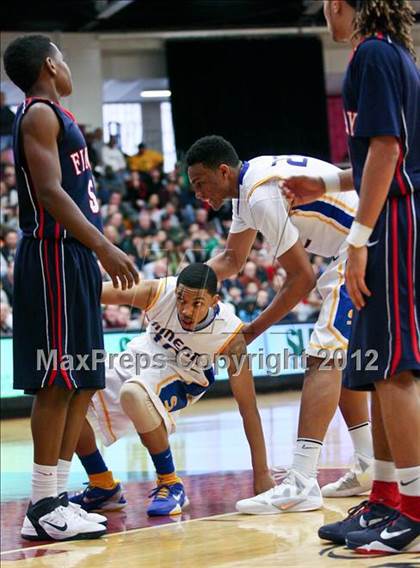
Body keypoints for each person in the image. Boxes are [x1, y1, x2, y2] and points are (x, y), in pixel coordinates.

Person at [284, 0, 420, 555]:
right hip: (382, 214)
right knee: (374, 367)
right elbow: (375, 158)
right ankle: (387, 496)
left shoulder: (373, 55)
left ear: (341, 4)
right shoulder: (387, 55)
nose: (324, 15)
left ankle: (412, 508)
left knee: (396, 369)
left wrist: (358, 241)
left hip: (393, 219)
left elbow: (389, 152)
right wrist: (329, 183)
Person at [185, 136, 374, 513]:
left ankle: (302, 481)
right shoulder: (246, 191)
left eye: (200, 183)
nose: (199, 194)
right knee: (341, 359)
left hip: (362, 247)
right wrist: (179, 286)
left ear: (223, 171)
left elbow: (300, 278)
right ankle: (368, 464)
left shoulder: (260, 194)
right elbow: (232, 260)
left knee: (322, 358)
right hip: (357, 246)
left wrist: (252, 331)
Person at [3, 35, 139, 541]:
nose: (67, 67)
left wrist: (95, 250)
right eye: (61, 58)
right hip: (53, 253)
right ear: (49, 65)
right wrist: (105, 247)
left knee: (82, 378)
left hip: (75, 255)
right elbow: (51, 194)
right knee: (57, 379)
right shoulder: (38, 114)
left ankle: (57, 499)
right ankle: (41, 503)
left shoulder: (57, 115)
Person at [70, 263, 274, 516]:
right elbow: (96, 291)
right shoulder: (158, 292)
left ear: (214, 301)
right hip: (140, 356)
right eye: (181, 300)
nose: (186, 310)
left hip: (184, 375)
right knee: (70, 391)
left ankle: (170, 482)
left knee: (133, 393)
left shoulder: (230, 336)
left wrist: (262, 472)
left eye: (197, 303)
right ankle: (102, 485)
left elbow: (248, 408)